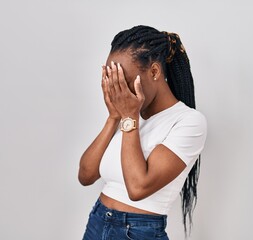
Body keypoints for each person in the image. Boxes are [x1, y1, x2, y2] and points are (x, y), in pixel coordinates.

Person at [78, 25, 207, 240]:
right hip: (97, 222)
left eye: (124, 82)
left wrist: (129, 117)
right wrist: (113, 118)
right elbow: (85, 175)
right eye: (113, 82)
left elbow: (138, 188)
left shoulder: (188, 122)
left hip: (137, 232)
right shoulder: (128, 115)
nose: (118, 91)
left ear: (154, 72)